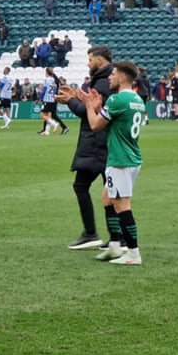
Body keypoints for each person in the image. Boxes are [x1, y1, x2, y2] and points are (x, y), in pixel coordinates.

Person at [54, 46, 125, 251]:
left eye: (90, 59)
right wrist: (77, 95)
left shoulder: (103, 82)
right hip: (103, 143)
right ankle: (115, 237)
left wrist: (70, 101)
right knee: (110, 190)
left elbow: (91, 112)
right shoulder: (106, 79)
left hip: (97, 142)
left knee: (86, 187)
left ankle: (93, 233)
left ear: (99, 61)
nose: (88, 63)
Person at [77, 61, 145, 265]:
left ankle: (133, 253)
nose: (109, 77)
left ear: (123, 77)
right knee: (107, 198)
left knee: (122, 205)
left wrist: (90, 107)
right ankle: (115, 246)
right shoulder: (137, 99)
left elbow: (96, 126)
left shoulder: (117, 99)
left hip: (120, 160)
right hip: (132, 156)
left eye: (113, 74)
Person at [38, 67, 68, 135]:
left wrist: (40, 98)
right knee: (50, 115)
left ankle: (55, 125)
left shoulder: (47, 80)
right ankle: (46, 130)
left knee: (44, 115)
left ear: (46, 72)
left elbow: (44, 90)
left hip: (48, 99)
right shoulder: (54, 80)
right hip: (53, 98)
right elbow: (55, 90)